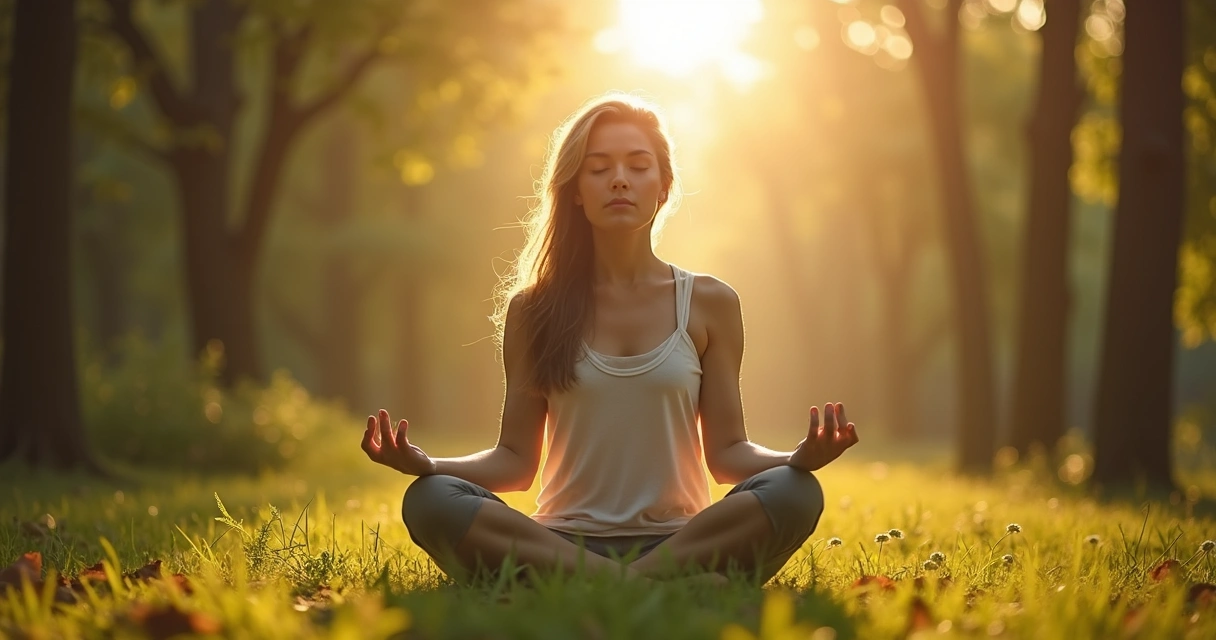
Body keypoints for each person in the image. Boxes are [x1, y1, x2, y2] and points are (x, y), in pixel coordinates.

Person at [360, 93, 859, 584]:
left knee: (795, 490)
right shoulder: (534, 310)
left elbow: (728, 453)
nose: (619, 179)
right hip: (561, 544)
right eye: (598, 169)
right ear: (576, 190)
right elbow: (514, 462)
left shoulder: (710, 302)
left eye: (638, 166)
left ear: (663, 186)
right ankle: (657, 589)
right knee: (430, 498)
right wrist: (427, 465)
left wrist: (795, 459)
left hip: (682, 541)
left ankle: (591, 587)